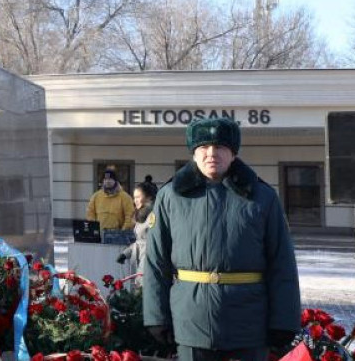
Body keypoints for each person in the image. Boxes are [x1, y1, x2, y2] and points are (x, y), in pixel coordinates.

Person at [143, 117, 300, 361]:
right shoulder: (170, 197)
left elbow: (282, 264)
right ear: (194, 153)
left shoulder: (263, 197)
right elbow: (156, 262)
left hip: (249, 322)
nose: (211, 154)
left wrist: (283, 321)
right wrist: (156, 317)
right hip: (191, 320)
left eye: (220, 147)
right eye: (204, 147)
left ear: (233, 153)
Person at [117, 176, 157, 272]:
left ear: (148, 197)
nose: (135, 200)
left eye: (138, 197)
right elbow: (139, 242)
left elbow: (150, 242)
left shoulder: (154, 215)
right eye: (134, 197)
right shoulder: (140, 215)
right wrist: (126, 253)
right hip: (138, 263)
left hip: (150, 264)